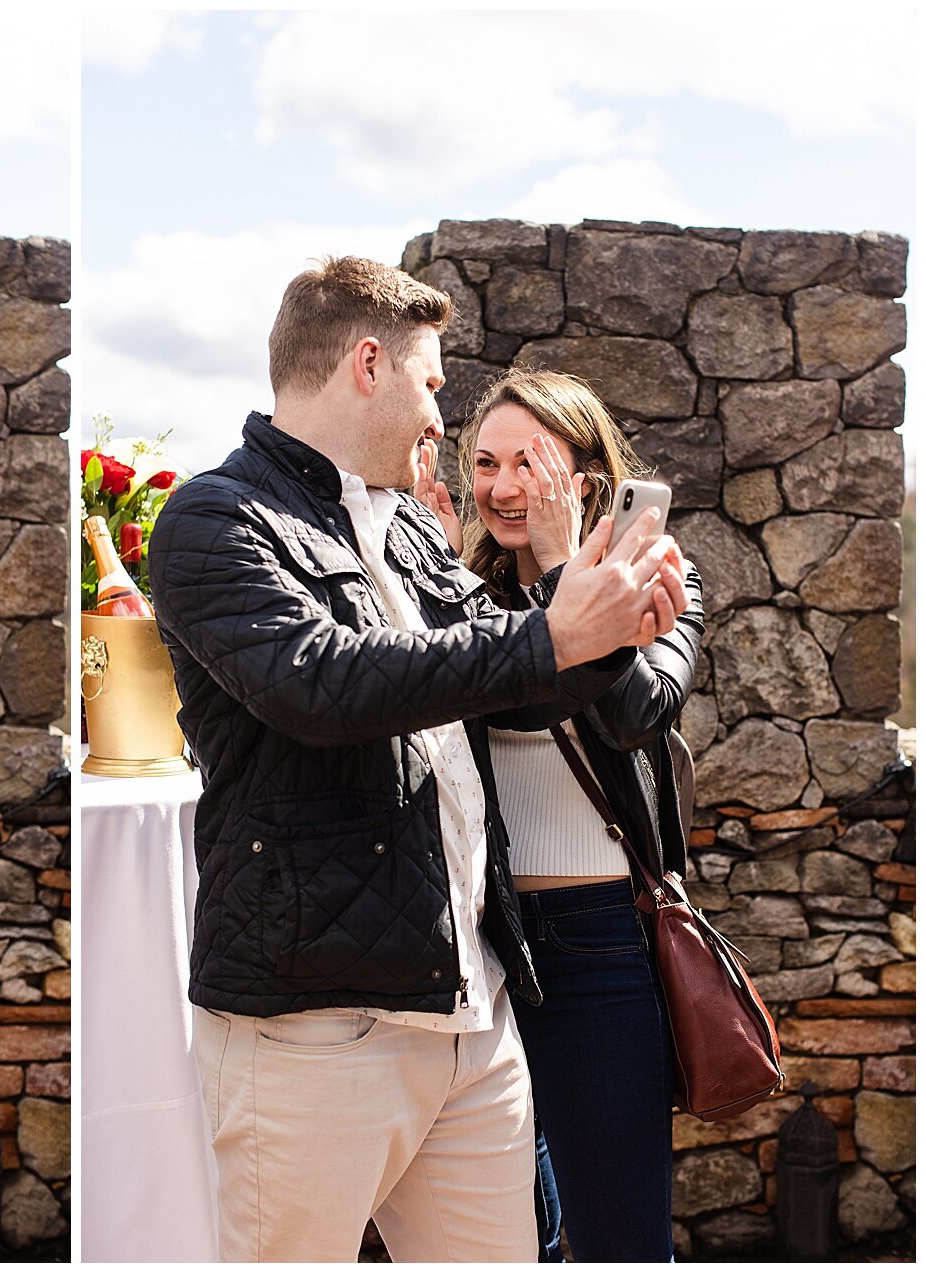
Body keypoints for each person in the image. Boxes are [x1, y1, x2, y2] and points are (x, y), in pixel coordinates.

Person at [146, 256, 689, 1263]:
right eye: (431, 379)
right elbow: (319, 683)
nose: (438, 408)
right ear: (368, 363)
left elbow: (506, 666)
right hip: (313, 1029)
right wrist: (550, 635)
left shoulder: (402, 523)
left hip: (470, 1012)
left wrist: (604, 625)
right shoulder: (212, 521)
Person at [445, 367, 702, 1261]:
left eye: (532, 462)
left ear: (589, 474)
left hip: (597, 938)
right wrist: (435, 582)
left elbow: (636, 714)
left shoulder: (660, 574)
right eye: (486, 462)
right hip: (478, 940)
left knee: (618, 1233)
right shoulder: (455, 588)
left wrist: (565, 572)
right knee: (504, 1234)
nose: (505, 487)